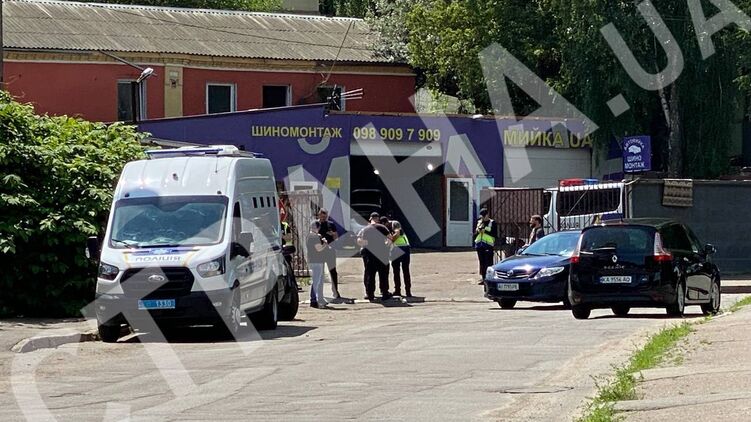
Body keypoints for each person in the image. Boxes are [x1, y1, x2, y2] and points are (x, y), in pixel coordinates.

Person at [358, 212, 392, 301]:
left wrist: (367, 244)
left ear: (370, 218)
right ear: (378, 218)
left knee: (370, 274)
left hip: (370, 254)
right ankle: (385, 293)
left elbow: (360, 241)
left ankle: (370, 294)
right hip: (382, 254)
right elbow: (390, 238)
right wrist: (386, 246)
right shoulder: (382, 227)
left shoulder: (365, 229)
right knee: (383, 274)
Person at [317, 209, 341, 299]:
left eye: (325, 216)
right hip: (319, 251)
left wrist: (333, 234)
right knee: (320, 272)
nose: (323, 218)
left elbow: (336, 237)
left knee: (333, 271)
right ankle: (319, 293)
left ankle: (335, 292)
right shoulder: (315, 224)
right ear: (319, 215)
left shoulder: (331, 224)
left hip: (330, 250)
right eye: (322, 216)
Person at [306, 221, 328, 309]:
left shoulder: (309, 236)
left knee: (316, 281)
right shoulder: (315, 237)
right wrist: (325, 243)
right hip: (317, 261)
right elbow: (319, 249)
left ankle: (315, 299)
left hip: (312, 260)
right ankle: (314, 300)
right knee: (317, 282)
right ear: (318, 228)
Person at [389, 220, 412, 297]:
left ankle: (397, 290)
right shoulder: (404, 234)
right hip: (406, 250)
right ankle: (408, 291)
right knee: (406, 271)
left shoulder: (397, 231)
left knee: (396, 271)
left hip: (397, 250)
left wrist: (390, 241)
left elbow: (397, 233)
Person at [474, 208, 497, 284]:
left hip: (488, 245)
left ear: (487, 215)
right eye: (482, 216)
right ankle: (483, 278)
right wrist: (478, 231)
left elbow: (494, 233)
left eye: (484, 215)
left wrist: (485, 230)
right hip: (479, 245)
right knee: (482, 263)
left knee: (488, 263)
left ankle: (489, 278)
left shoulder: (492, 222)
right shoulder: (479, 222)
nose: (483, 217)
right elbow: (475, 233)